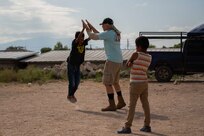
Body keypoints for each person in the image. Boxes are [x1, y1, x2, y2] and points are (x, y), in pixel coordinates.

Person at [82, 18, 126, 111]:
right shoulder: (115, 33)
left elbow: (93, 36)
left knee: (107, 83)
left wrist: (87, 28)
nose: (102, 26)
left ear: (107, 25)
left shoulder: (109, 33)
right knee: (115, 82)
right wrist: (91, 27)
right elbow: (98, 34)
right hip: (118, 60)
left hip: (112, 61)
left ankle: (112, 105)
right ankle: (121, 101)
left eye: (103, 24)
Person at [117, 36, 152, 134]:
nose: (136, 48)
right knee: (145, 104)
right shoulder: (149, 57)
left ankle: (127, 127)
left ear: (139, 47)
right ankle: (147, 125)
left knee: (132, 105)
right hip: (144, 82)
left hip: (135, 83)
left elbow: (127, 65)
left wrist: (130, 61)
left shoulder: (136, 54)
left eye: (136, 46)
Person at [66, 20, 90, 103]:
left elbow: (91, 37)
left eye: (83, 38)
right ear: (77, 38)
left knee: (77, 84)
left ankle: (71, 95)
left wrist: (89, 28)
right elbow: (77, 39)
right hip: (71, 65)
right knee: (72, 83)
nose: (81, 40)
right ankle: (69, 95)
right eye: (80, 38)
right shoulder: (74, 43)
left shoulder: (84, 43)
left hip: (77, 66)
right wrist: (83, 28)